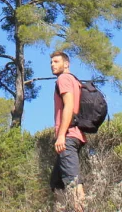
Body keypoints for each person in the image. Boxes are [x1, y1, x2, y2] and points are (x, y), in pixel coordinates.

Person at [50, 50, 85, 211]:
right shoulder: (75, 81)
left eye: (56, 62)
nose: (52, 65)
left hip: (68, 136)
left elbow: (69, 106)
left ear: (66, 64)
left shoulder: (63, 79)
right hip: (76, 134)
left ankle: (80, 208)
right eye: (51, 62)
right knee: (56, 183)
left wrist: (61, 135)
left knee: (73, 182)